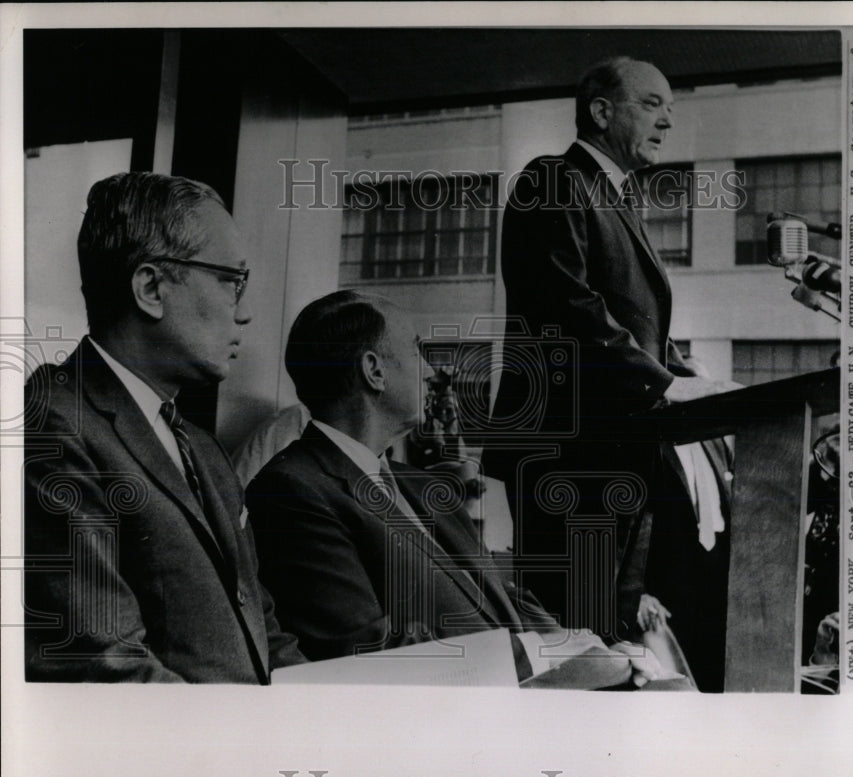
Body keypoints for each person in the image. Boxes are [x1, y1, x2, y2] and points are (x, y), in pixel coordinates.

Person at [246, 291, 675, 687]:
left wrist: (577, 642)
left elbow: (500, 595)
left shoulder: (422, 485)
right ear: (374, 371)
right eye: (416, 350)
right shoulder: (291, 491)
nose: (432, 371)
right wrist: (547, 656)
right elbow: (368, 652)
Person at [486, 56, 739, 690]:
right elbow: (567, 307)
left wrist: (690, 372)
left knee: (604, 635)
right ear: (601, 111)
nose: (666, 122)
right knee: (573, 643)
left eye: (671, 111)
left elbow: (632, 325)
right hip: (568, 456)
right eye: (652, 105)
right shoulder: (553, 181)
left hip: (617, 453)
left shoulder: (614, 197)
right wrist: (663, 380)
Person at [23, 172, 304, 682]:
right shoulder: (52, 428)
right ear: (151, 288)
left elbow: (263, 632)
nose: (245, 313)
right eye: (231, 281)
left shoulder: (200, 446)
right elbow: (105, 667)